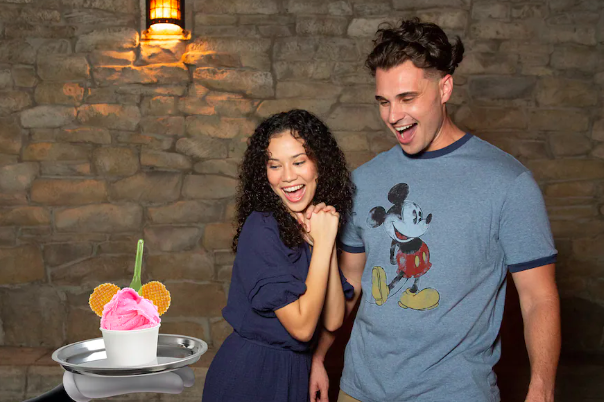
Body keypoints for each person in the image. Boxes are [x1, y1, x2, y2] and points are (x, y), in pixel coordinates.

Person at [309, 18, 561, 402]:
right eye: (384, 102)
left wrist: (541, 388)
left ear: (444, 88)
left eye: (407, 98)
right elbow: (350, 283)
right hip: (359, 389)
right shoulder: (363, 180)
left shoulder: (508, 182)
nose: (393, 116)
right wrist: (318, 355)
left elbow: (538, 297)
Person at [202, 109, 355, 402]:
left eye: (299, 162)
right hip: (251, 376)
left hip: (296, 372)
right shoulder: (261, 227)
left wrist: (324, 243)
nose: (287, 177)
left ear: (320, 164)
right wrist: (323, 243)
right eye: (275, 165)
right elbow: (302, 327)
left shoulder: (314, 224)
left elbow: (334, 319)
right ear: (264, 172)